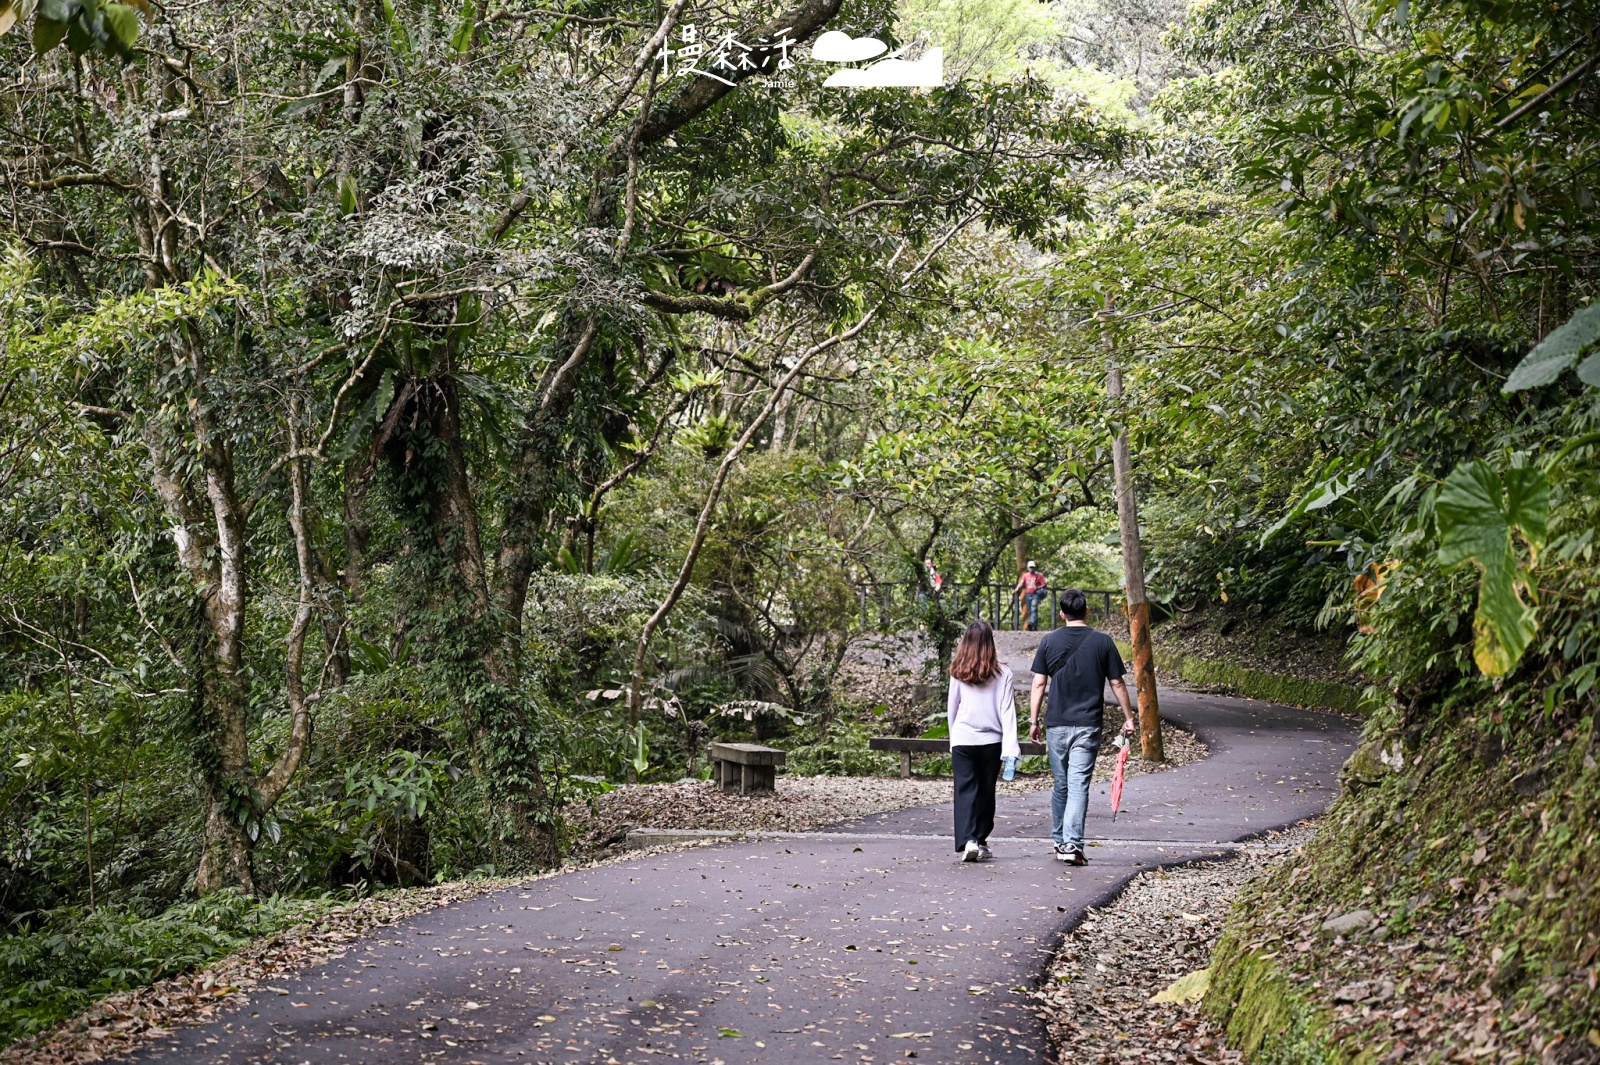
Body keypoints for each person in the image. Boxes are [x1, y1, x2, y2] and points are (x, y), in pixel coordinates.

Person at [1027, 588, 1136, 865]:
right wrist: (1129, 717)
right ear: (1087, 611)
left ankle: (1059, 840)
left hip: (1056, 724)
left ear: (1062, 613)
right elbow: (1117, 683)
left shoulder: (1049, 641)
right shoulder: (1103, 641)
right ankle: (1071, 845)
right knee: (1077, 785)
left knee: (1061, 784)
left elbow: (1039, 683)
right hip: (1087, 724)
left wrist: (1033, 720)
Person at [946, 620, 1020, 862]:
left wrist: (953, 739)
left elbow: (952, 708)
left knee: (965, 790)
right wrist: (1011, 747)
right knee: (986, 792)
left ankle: (970, 840)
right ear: (990, 643)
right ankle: (980, 838)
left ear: (966, 643)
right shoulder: (1003, 673)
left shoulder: (957, 671)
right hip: (991, 741)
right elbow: (1007, 712)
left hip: (963, 739)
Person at [1015, 560, 1049, 631]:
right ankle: (1033, 627)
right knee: (1030, 610)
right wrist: (1017, 588)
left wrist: (1037, 587)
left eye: (1033, 567)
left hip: (1035, 594)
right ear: (1028, 568)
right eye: (1030, 567)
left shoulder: (1039, 575)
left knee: (1034, 609)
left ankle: (1031, 623)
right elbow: (1022, 582)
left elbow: (1044, 584)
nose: (1031, 569)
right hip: (1028, 594)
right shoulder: (1026, 575)